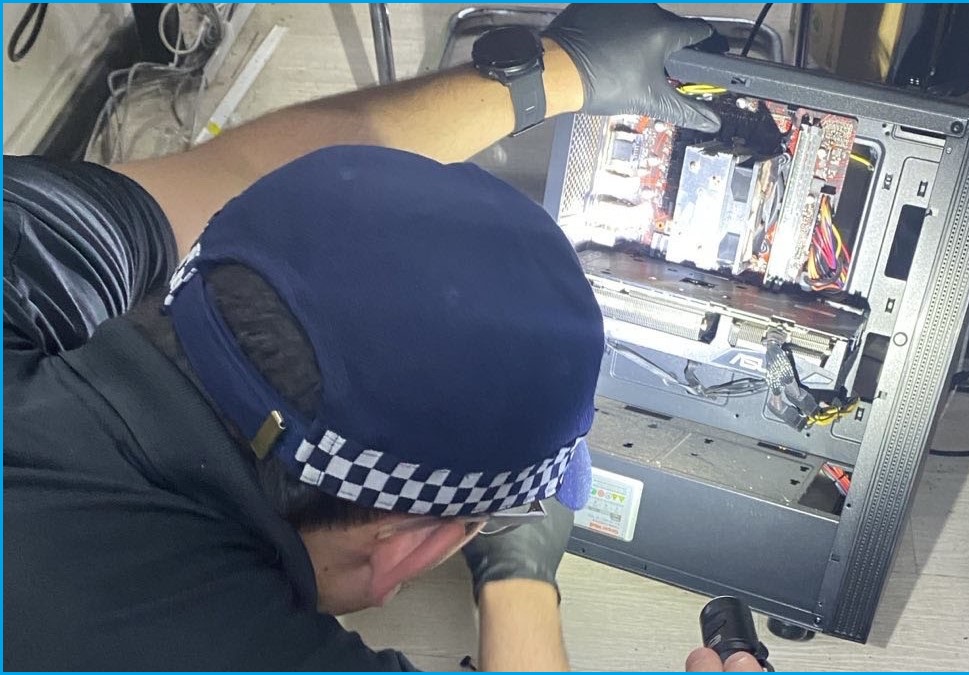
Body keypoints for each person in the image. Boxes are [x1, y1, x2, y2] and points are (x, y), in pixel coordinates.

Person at [4, 3, 764, 671]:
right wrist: (521, 585)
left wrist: (560, 73)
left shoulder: (23, 245)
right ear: (404, 548)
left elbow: (229, 170)